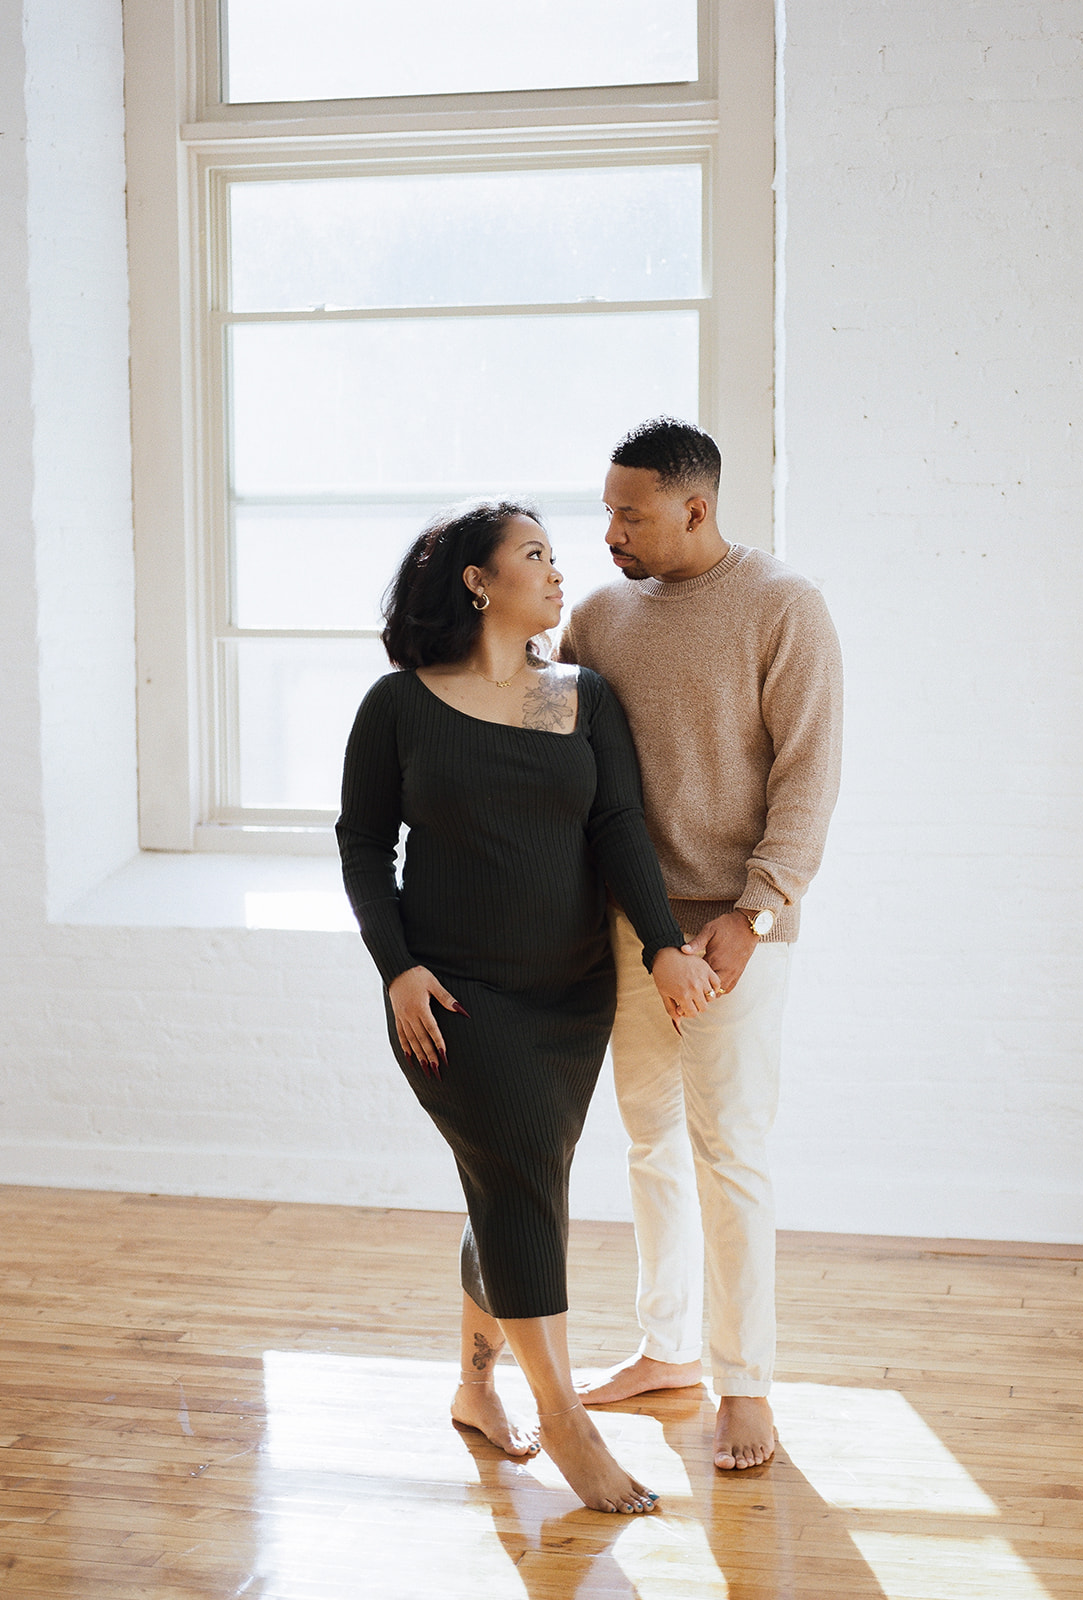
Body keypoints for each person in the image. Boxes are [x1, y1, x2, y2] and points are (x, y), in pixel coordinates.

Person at [336, 499, 722, 1514]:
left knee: (513, 1183)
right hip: (453, 998)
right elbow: (363, 847)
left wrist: (664, 943)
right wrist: (396, 967)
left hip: (568, 992)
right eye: (535, 555)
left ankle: (473, 1384)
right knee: (519, 1184)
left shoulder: (573, 698)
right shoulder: (401, 706)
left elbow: (619, 830)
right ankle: (565, 1423)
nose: (561, 573)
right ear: (476, 579)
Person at [559, 418, 843, 1471]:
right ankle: (667, 1347)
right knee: (647, 1142)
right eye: (603, 511)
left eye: (626, 513)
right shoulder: (598, 616)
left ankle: (746, 1385)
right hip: (633, 931)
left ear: (695, 506)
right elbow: (562, 760)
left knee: (730, 1152)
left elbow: (807, 773)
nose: (609, 532)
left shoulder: (781, 606)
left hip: (735, 935)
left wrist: (755, 911)